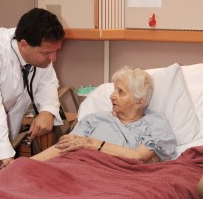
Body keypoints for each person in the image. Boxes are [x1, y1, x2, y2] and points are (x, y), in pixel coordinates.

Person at [0, 8, 65, 173]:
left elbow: (48, 83)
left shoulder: (40, 53)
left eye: (56, 51)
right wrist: (5, 157)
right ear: (24, 45)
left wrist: (47, 110)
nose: (54, 58)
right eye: (47, 52)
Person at [31, 66, 177, 163]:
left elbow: (139, 157)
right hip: (76, 170)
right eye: (114, 90)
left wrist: (93, 143)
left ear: (139, 101)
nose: (112, 96)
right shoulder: (94, 120)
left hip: (114, 179)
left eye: (120, 92)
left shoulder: (154, 124)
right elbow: (64, 146)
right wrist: (28, 163)